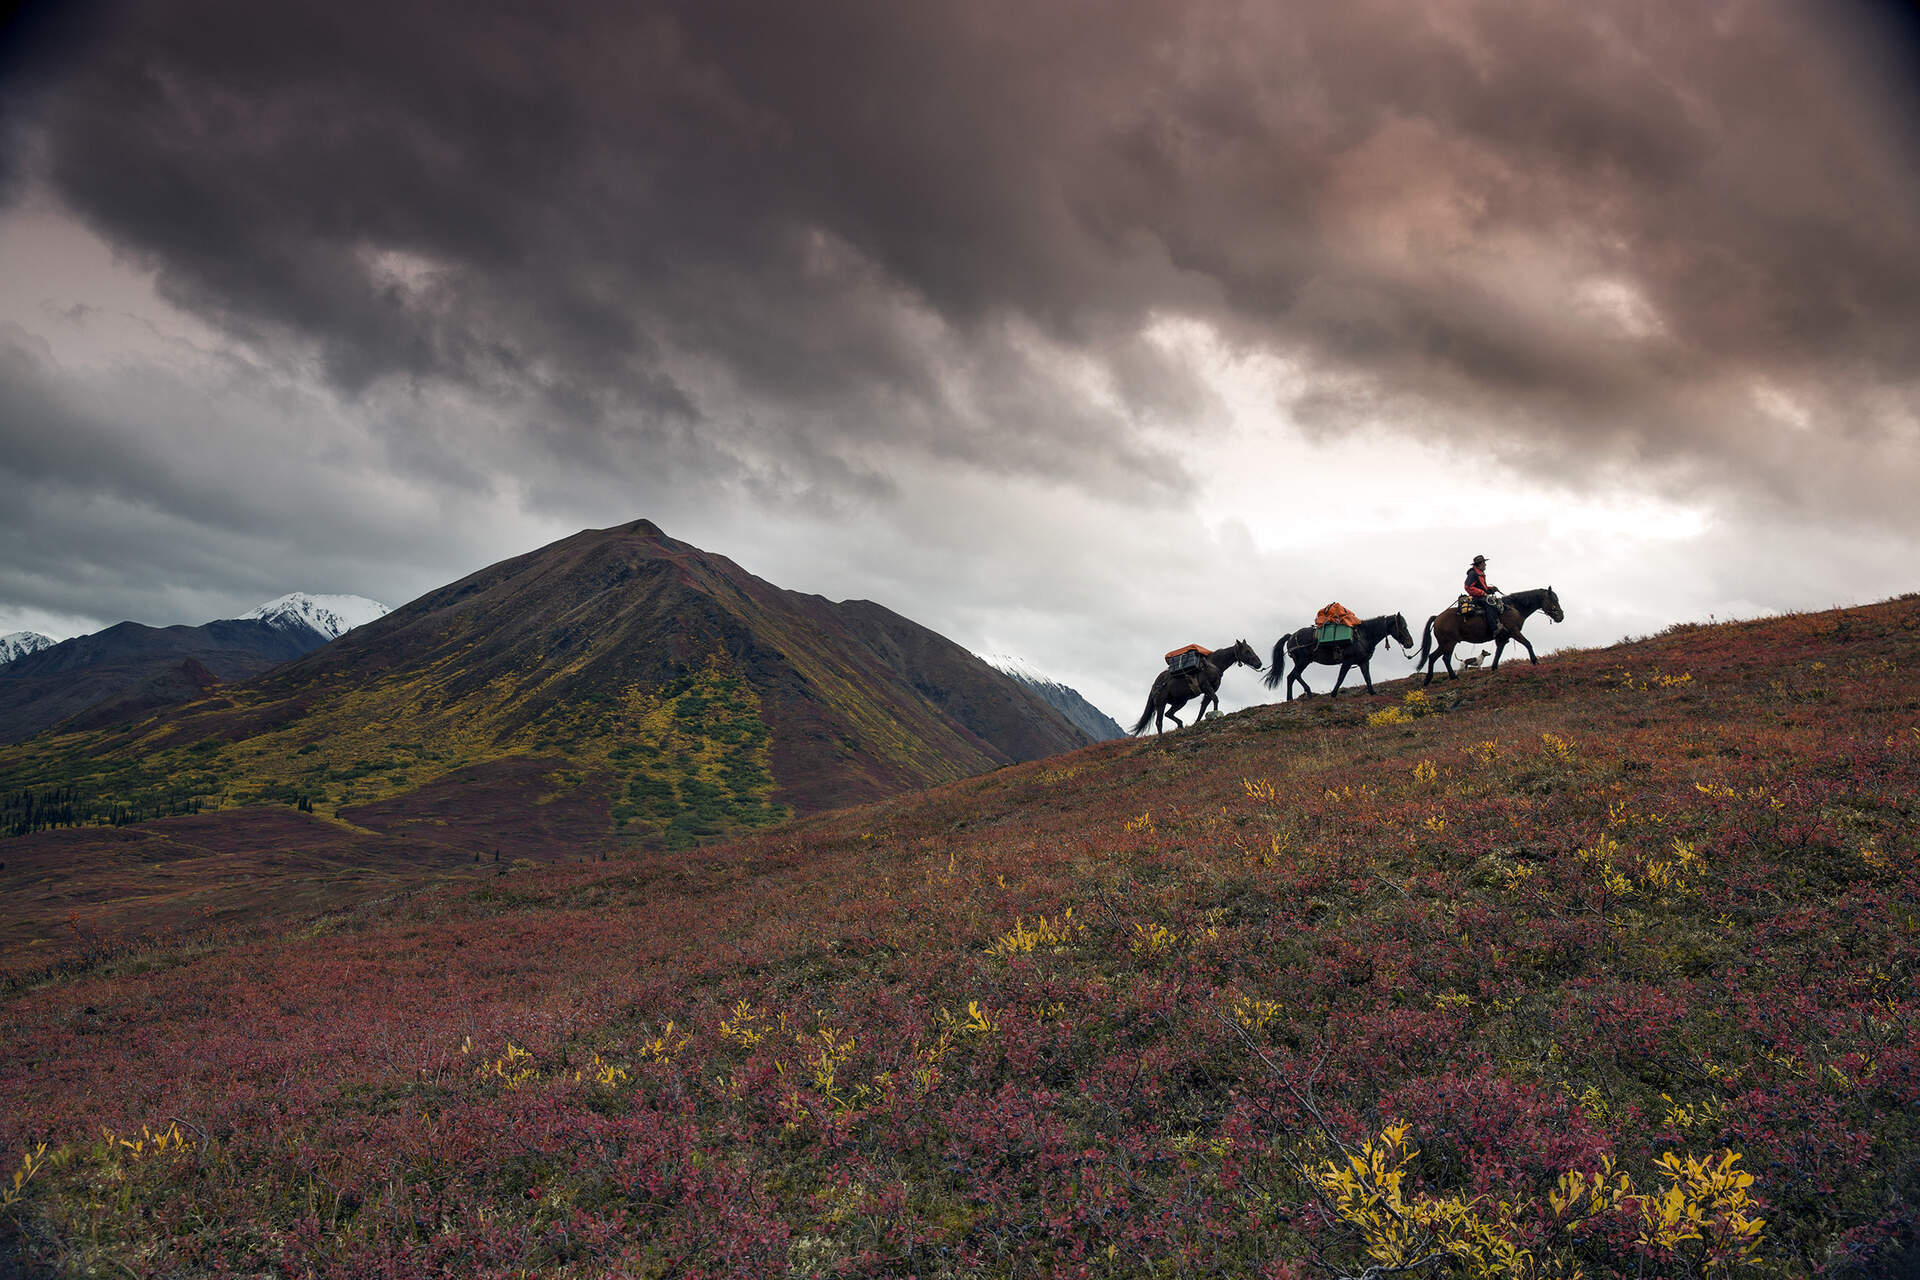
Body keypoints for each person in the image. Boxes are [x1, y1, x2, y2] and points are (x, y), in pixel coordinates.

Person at [1465, 554, 1503, 639]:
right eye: (1484, 563)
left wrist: (1491, 589)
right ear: (1479, 564)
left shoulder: (1480, 574)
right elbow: (1468, 587)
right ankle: (1494, 628)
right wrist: (1482, 593)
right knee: (1490, 605)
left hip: (1481, 596)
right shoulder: (1473, 573)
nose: (1485, 565)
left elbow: (1483, 588)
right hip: (1477, 598)